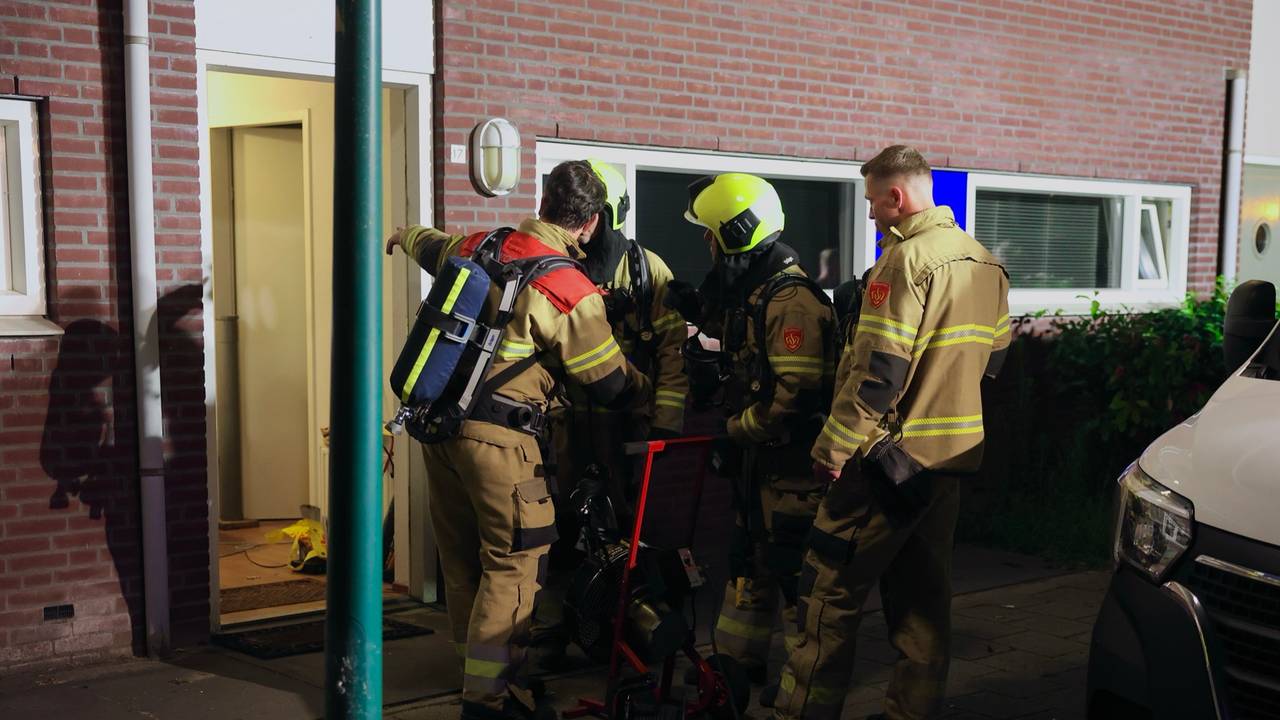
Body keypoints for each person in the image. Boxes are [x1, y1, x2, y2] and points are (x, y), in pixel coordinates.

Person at [384, 160, 651, 720]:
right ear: (590, 222)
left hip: (438, 431)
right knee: (513, 566)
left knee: (462, 564)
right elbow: (608, 384)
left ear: (545, 204)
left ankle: (472, 674)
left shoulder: (482, 243)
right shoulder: (569, 288)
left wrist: (400, 235)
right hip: (501, 444)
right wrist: (649, 381)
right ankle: (489, 699)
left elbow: (432, 244)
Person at [773, 145, 1010, 720]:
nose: (873, 214)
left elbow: (879, 374)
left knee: (826, 596)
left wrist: (833, 448)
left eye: (874, 202)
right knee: (923, 607)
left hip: (883, 467)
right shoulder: (985, 263)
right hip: (946, 467)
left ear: (896, 196)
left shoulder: (903, 263)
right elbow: (996, 360)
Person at [671, 172, 836, 686]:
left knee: (792, 582)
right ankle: (734, 674)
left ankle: (801, 693)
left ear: (737, 232)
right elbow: (743, 335)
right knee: (748, 570)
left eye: (711, 232)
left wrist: (736, 430)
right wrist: (697, 309)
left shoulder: (792, 302)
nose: (706, 242)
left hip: (792, 476)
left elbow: (797, 395)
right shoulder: (759, 291)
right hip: (760, 470)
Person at [536, 159, 690, 658]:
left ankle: (617, 628)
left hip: (624, 425)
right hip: (559, 426)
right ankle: (561, 626)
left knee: (621, 530)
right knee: (555, 532)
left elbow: (672, 350)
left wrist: (664, 422)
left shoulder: (648, 270)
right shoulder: (552, 263)